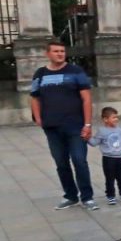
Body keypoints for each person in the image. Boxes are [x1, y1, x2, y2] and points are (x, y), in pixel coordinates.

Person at [30, 41, 97, 211]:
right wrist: (38, 118)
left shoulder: (76, 72)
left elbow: (87, 99)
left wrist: (88, 124)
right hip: (52, 127)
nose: (60, 54)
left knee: (79, 160)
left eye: (62, 51)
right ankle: (71, 196)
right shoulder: (40, 74)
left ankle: (87, 197)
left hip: (76, 126)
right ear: (48, 54)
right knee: (61, 163)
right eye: (56, 51)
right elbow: (34, 97)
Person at [88, 107, 121, 205]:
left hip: (120, 158)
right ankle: (110, 195)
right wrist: (87, 137)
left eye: (116, 117)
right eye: (113, 117)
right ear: (105, 119)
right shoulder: (102, 131)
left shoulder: (120, 131)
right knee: (109, 178)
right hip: (108, 159)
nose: (116, 119)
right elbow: (94, 142)